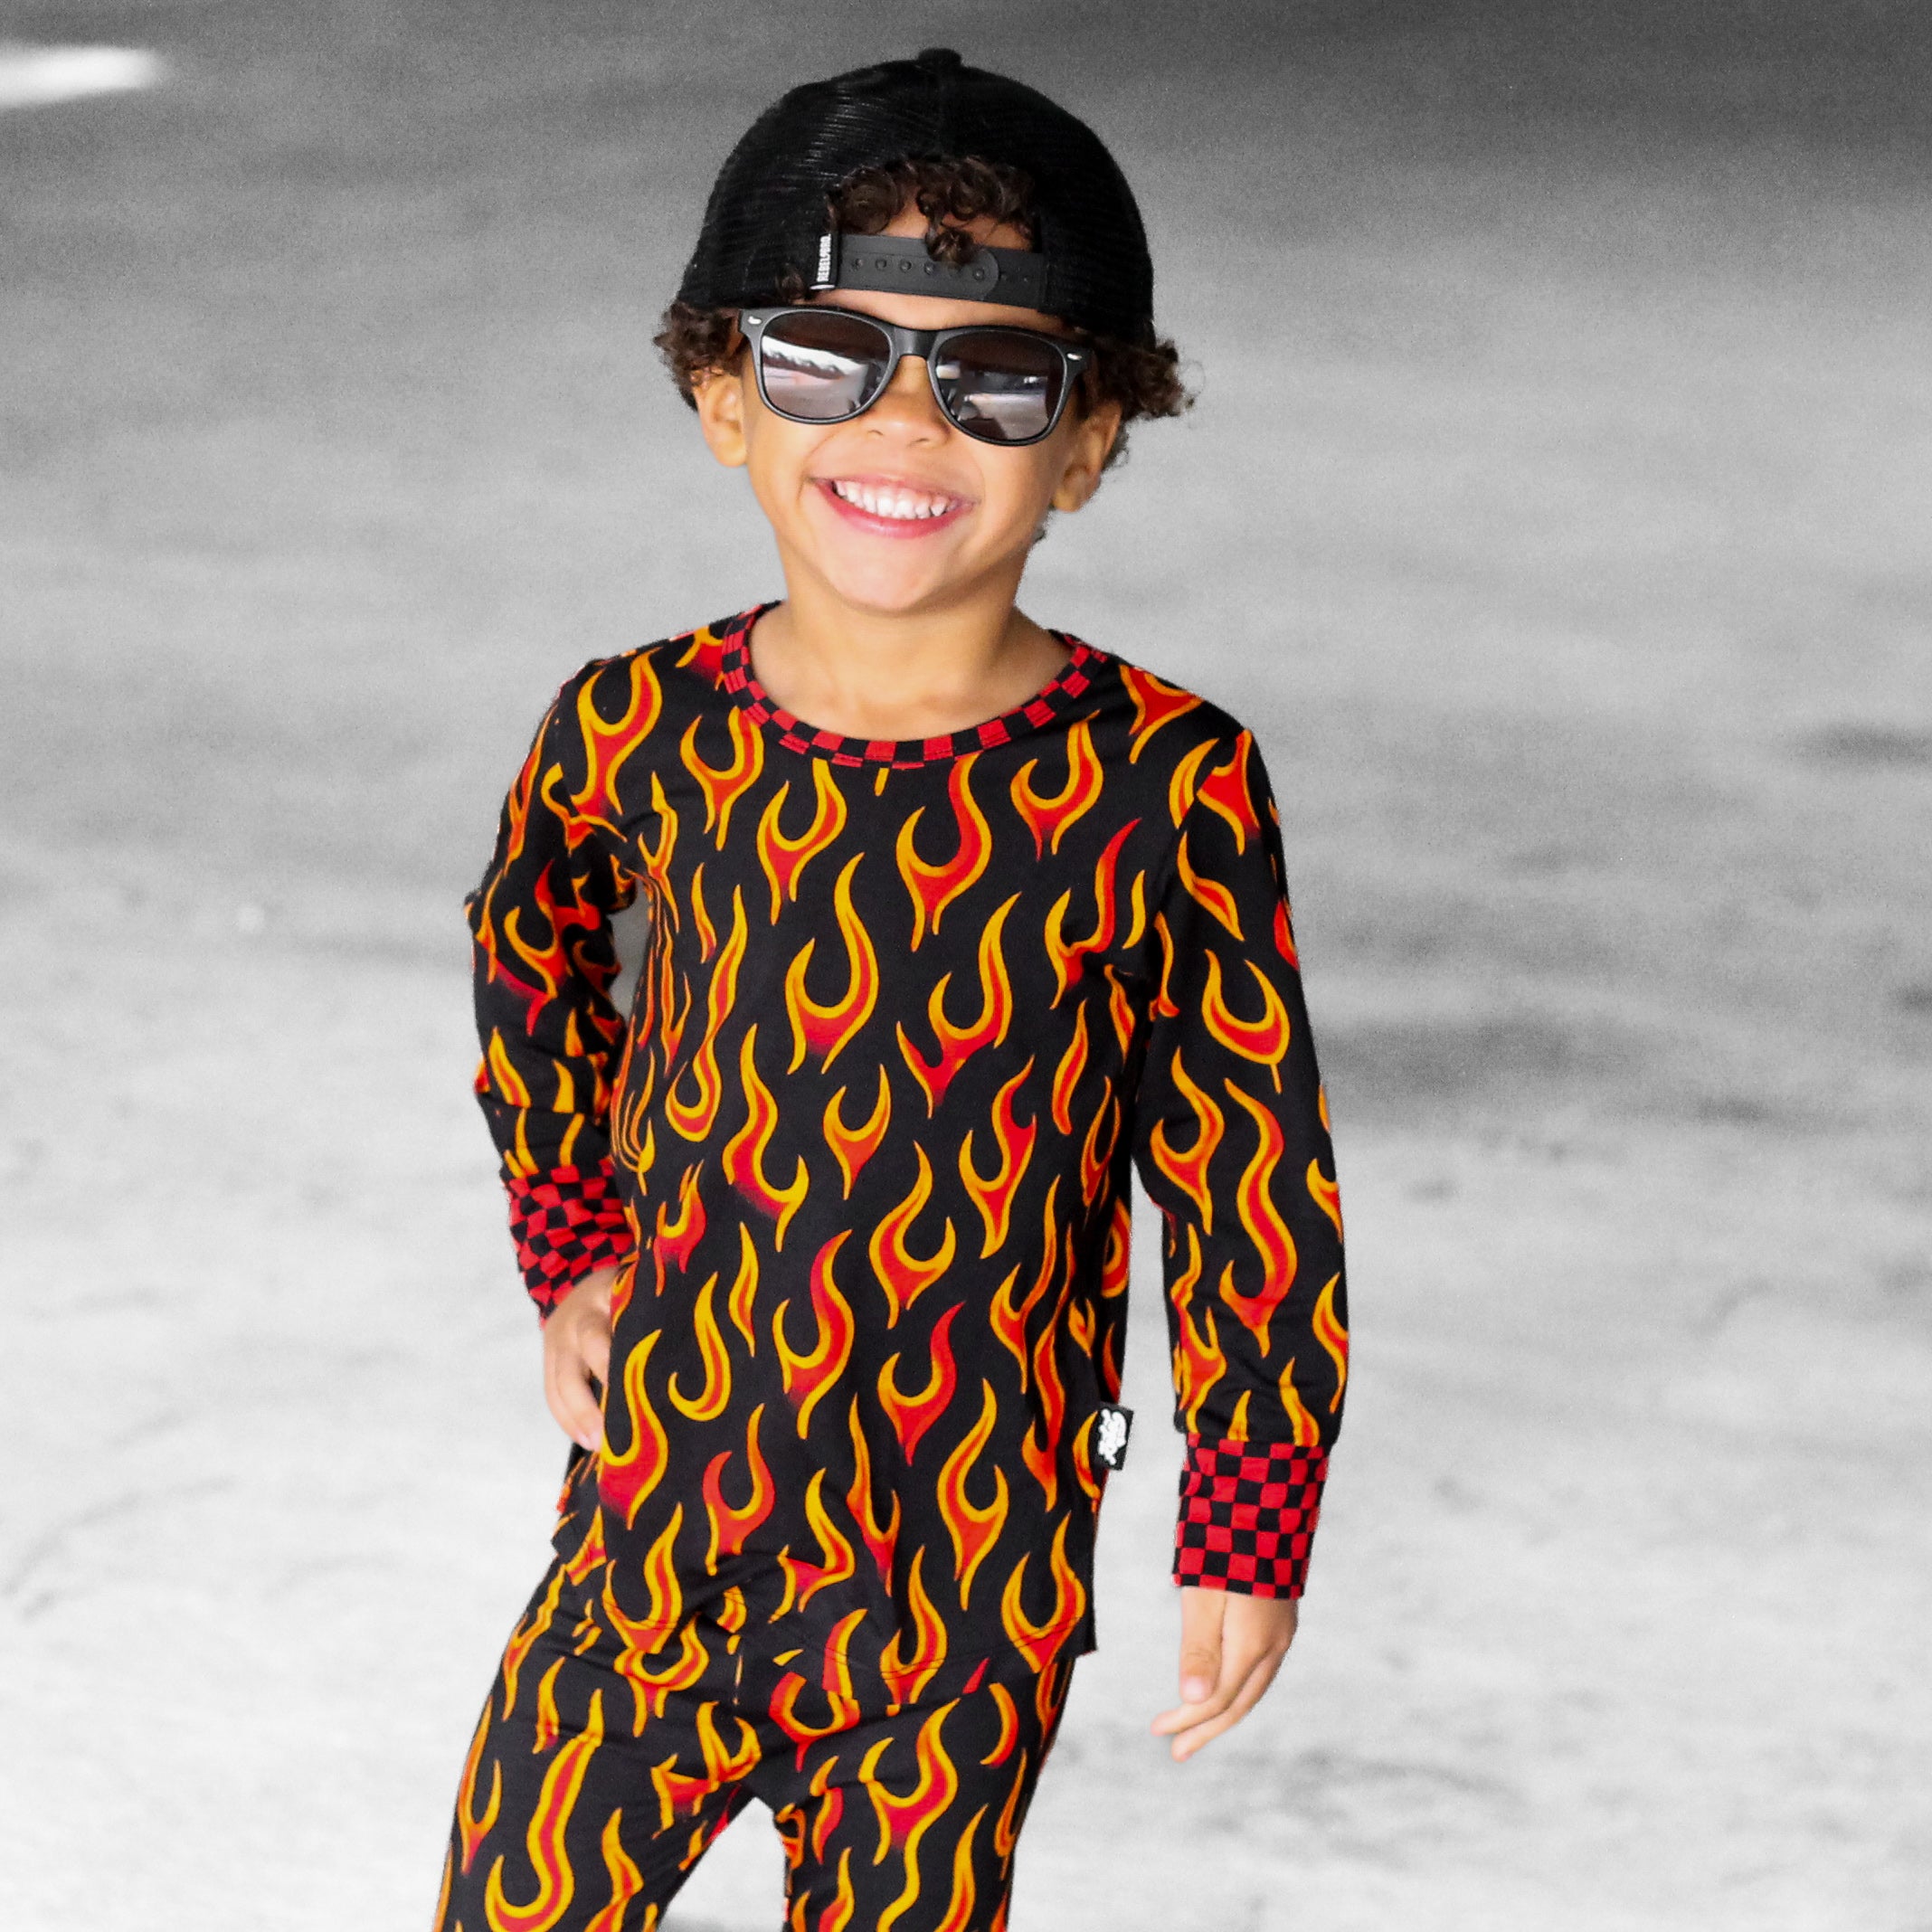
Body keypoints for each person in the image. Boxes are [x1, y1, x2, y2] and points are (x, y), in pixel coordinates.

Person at [436, 47, 1348, 1932]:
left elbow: (1249, 1177)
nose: (906, 424)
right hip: (653, 1538)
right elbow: (531, 954)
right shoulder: (635, 726)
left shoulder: (1163, 783)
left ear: (1089, 439)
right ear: (722, 397)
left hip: (961, 1597)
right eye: (825, 358)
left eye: (995, 378)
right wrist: (571, 1242)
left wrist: (1247, 1515)